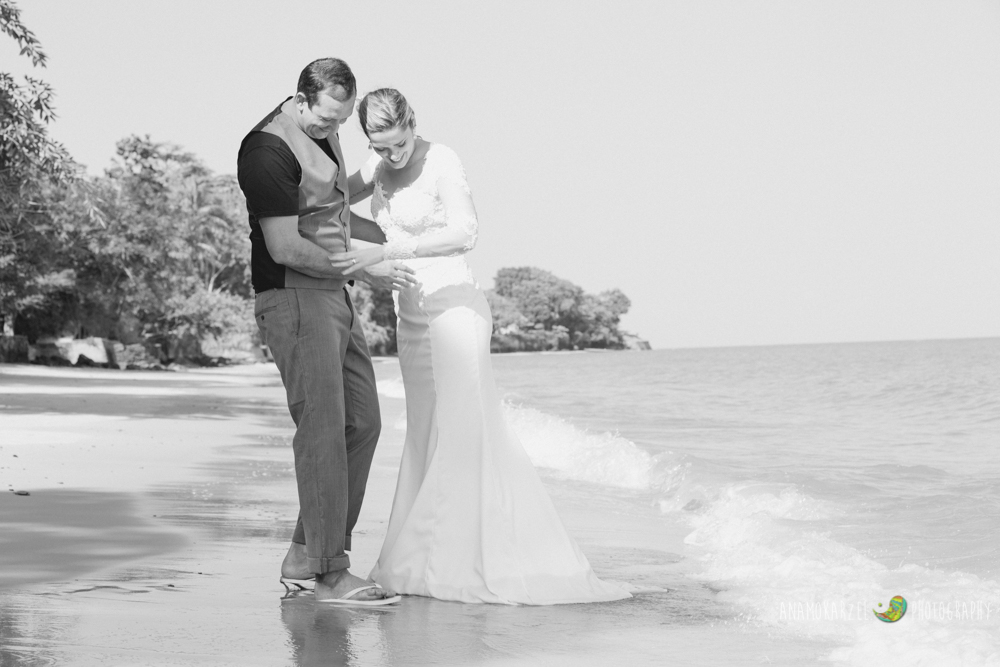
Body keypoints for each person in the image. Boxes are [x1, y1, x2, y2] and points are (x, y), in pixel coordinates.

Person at [333, 88, 631, 605]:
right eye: (381, 148)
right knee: (425, 432)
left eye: (398, 143)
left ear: (412, 125)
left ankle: (463, 561)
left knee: (465, 433)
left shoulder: (442, 159)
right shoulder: (376, 168)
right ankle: (420, 557)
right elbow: (329, 196)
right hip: (410, 316)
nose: (392, 155)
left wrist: (394, 247)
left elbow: (465, 231)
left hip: (454, 309)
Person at [237, 59, 415, 606]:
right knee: (321, 431)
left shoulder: (328, 131)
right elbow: (285, 247)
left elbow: (332, 211)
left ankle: (303, 554)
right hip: (292, 297)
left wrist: (402, 221)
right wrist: (367, 267)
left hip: (332, 294)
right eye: (324, 120)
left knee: (361, 423)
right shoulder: (267, 149)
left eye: (340, 122)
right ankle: (331, 573)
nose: (331, 130)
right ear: (299, 97)